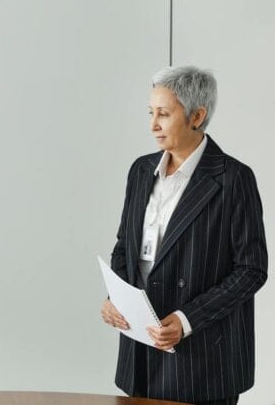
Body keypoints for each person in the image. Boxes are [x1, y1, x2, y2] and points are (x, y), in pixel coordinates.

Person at [101, 67, 268, 405]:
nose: (153, 124)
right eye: (151, 113)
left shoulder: (233, 178)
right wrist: (115, 297)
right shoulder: (140, 170)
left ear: (197, 115)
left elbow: (252, 270)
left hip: (203, 360)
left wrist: (187, 319)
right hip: (141, 352)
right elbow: (125, 248)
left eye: (164, 113)